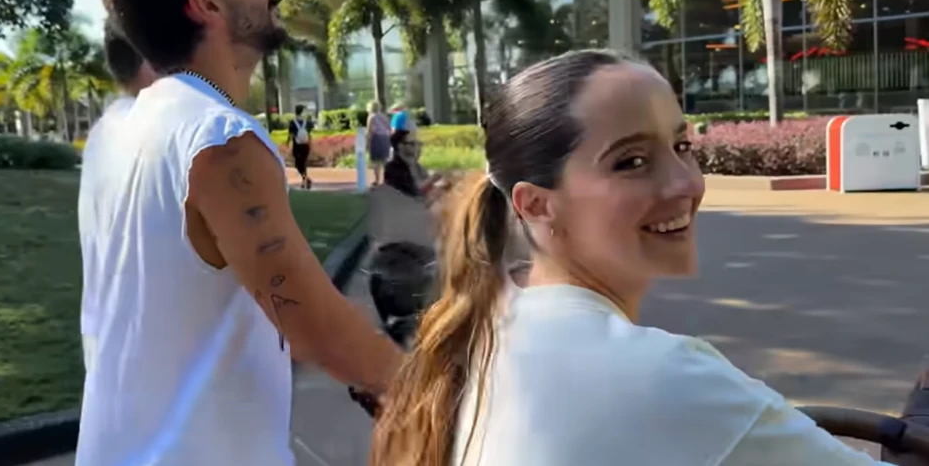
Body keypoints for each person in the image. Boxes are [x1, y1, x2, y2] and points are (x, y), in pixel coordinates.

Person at [370, 50, 886, 466]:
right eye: (632, 161)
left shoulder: (488, 321)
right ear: (537, 204)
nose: (685, 184)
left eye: (682, 147)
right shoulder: (667, 377)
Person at [80, 0, 402, 465]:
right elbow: (315, 328)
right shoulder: (219, 136)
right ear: (205, 1)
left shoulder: (118, 132)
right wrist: (438, 392)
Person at [77, 20, 158, 374]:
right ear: (149, 59)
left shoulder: (106, 130)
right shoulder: (164, 130)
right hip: (156, 371)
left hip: (113, 360)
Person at [384, 129, 442, 202]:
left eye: (419, 144)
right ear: (400, 146)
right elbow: (414, 193)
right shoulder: (393, 169)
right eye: (412, 144)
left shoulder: (416, 165)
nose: (418, 147)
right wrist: (434, 178)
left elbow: (427, 187)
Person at [288, 104, 313, 189]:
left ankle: (305, 180)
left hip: (297, 146)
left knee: (298, 164)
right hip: (305, 145)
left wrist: (287, 143)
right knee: (303, 164)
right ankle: (305, 180)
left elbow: (291, 135)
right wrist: (310, 144)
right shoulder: (307, 122)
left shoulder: (292, 123)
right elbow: (309, 134)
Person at [366, 100, 390, 186]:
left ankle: (377, 180)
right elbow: (389, 127)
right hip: (385, 138)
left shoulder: (371, 117)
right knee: (384, 160)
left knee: (376, 161)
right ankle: (387, 179)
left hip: (376, 138)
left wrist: (367, 142)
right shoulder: (384, 116)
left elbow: (369, 131)